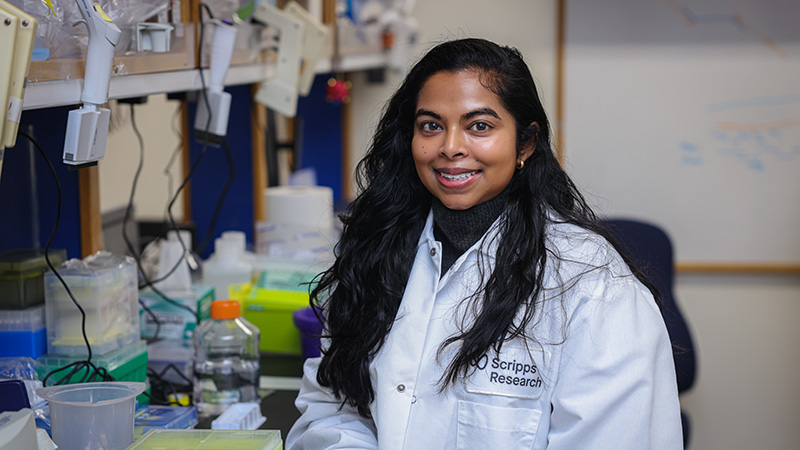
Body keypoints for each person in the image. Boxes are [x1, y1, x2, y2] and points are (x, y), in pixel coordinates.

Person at [286, 38, 682, 449]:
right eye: (431, 125)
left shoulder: (593, 287)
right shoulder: (375, 254)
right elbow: (331, 409)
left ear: (524, 144)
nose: (450, 147)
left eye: (480, 126)